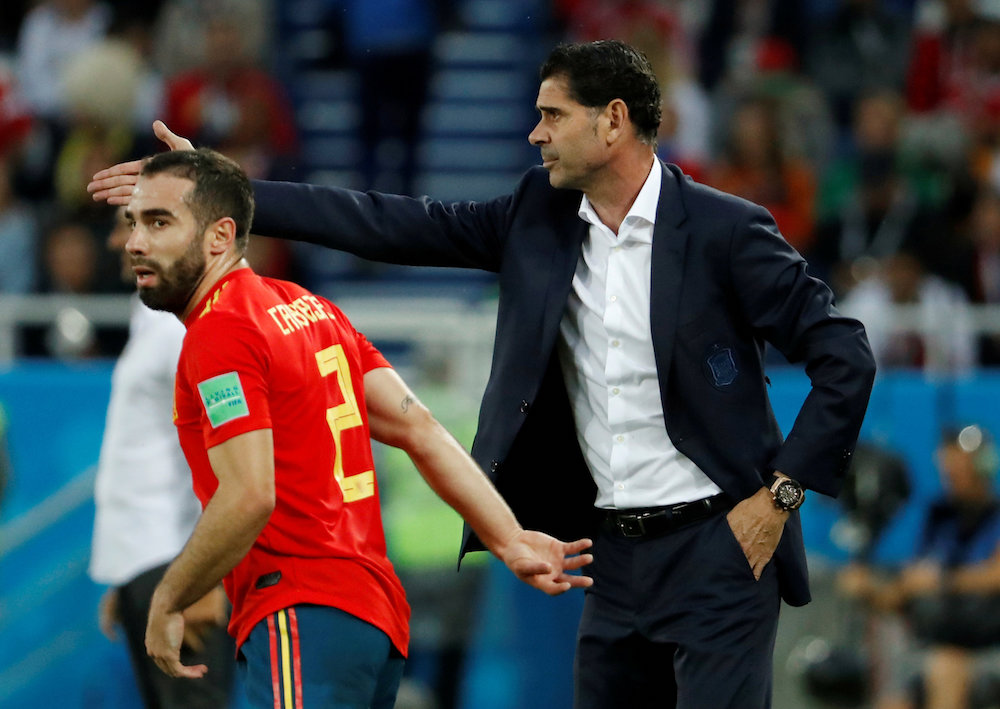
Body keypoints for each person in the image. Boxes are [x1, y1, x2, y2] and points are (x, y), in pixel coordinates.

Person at [89, 39, 876, 709]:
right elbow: (393, 223)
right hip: (613, 553)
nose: (535, 134)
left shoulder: (724, 231)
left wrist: (780, 497)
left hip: (720, 539)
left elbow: (845, 354)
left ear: (613, 123)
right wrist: (230, 193)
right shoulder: (539, 215)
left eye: (553, 116)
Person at [117, 148, 591, 708]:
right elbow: (420, 428)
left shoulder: (221, 331)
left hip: (299, 607)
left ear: (221, 236)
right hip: (373, 618)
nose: (135, 243)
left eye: (159, 222)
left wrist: (168, 599)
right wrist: (507, 536)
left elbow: (248, 496)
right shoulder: (313, 310)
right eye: (132, 223)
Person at [89, 207, 235, 708]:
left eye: (133, 228)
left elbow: (231, 459)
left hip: (178, 567)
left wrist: (204, 578)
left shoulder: (186, 327)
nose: (118, 243)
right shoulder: (155, 319)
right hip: (149, 562)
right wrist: (128, 572)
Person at [838, 425, 1000, 709]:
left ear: (984, 467)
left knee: (947, 669)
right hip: (931, 649)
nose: (952, 479)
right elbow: (908, 591)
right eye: (948, 471)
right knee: (893, 701)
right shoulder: (938, 516)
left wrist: (942, 581)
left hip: (986, 652)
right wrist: (872, 589)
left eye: (960, 471)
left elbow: (994, 576)